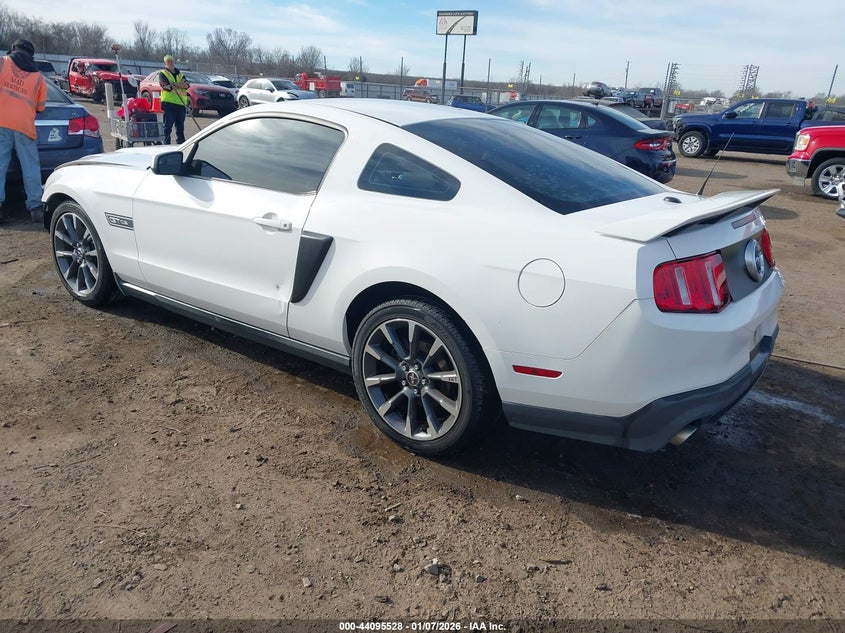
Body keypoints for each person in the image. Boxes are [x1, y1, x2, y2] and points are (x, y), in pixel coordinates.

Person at [0, 38, 47, 224]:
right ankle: (35, 208)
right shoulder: (38, 76)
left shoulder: (3, 63)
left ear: (13, 49)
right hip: (25, 125)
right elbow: (41, 106)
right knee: (31, 168)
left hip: (1, 122)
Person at [159, 54, 189, 145]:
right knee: (167, 127)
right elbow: (166, 86)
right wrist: (179, 85)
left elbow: (187, 85)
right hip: (169, 104)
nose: (170, 63)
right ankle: (166, 145)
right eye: (168, 61)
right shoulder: (163, 74)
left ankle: (181, 144)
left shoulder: (181, 75)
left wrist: (174, 84)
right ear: (165, 63)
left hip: (181, 104)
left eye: (171, 61)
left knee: (180, 128)